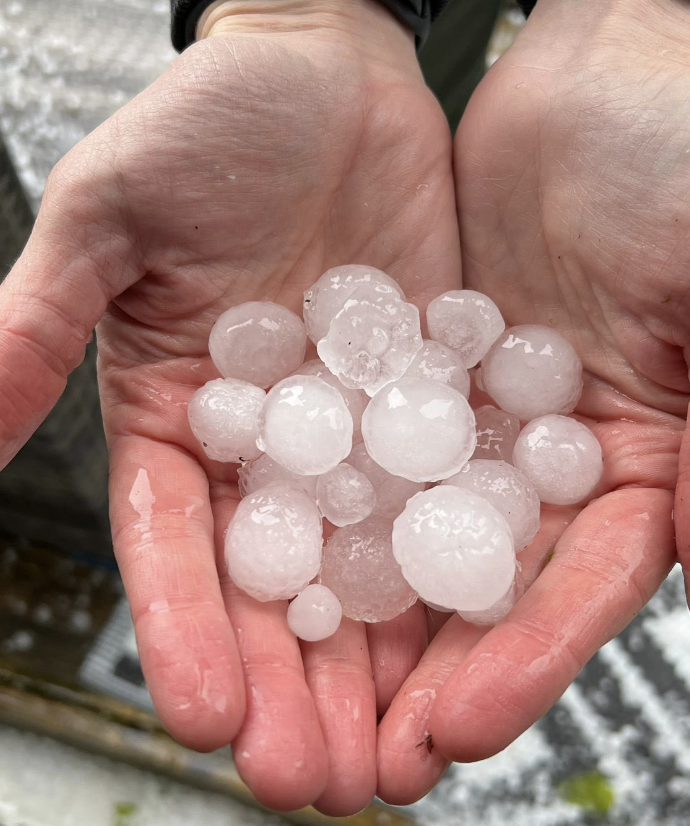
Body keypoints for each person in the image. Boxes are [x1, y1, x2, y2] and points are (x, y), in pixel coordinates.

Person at [1, 0, 688, 815]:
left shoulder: (442, 415)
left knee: (449, 104)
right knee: (422, 101)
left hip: (506, 149)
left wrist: (649, 23)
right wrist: (296, 15)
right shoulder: (339, 410)